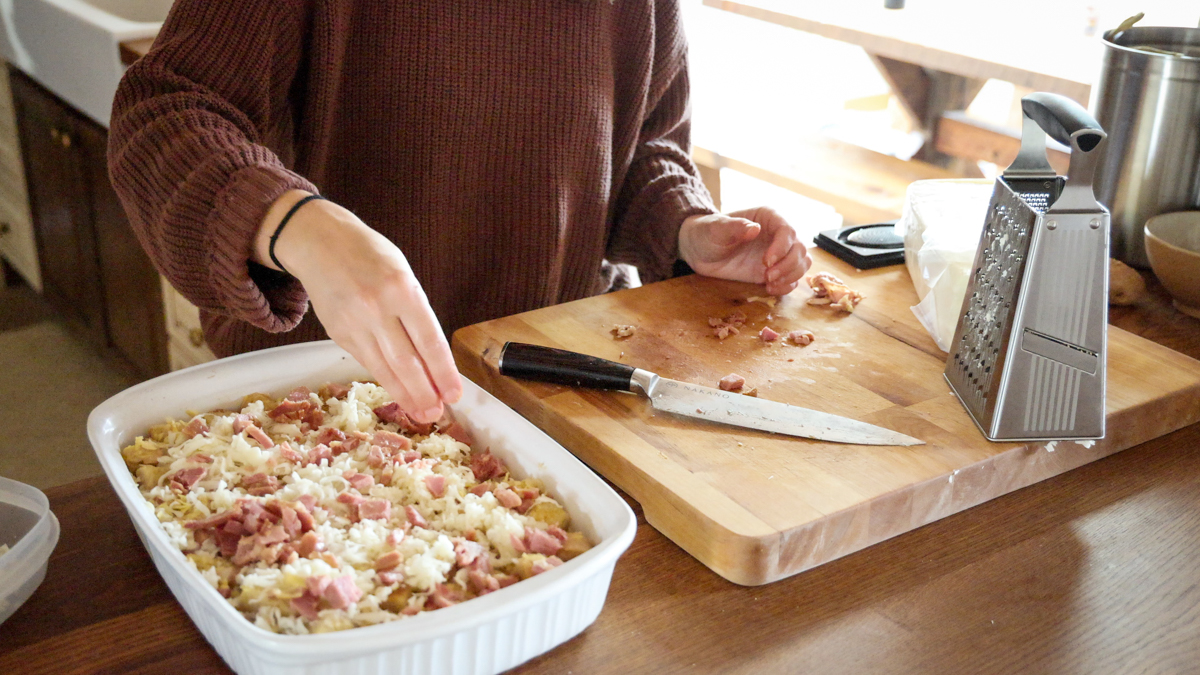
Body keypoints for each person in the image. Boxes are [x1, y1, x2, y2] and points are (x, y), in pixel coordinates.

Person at [109, 0, 813, 426]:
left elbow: (638, 147)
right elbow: (166, 111)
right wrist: (296, 223)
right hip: (328, 395)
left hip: (558, 389)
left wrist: (687, 229)